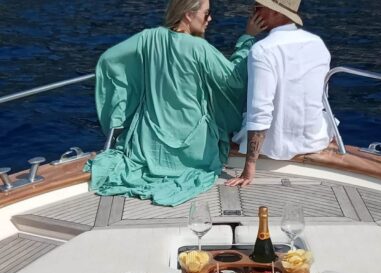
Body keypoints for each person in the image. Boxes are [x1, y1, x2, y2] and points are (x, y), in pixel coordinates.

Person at [84, 0, 266, 206]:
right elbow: (233, 80)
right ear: (189, 15)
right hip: (193, 150)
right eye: (207, 14)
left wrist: (133, 94)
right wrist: (248, 38)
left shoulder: (147, 38)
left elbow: (109, 60)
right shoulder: (200, 48)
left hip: (146, 145)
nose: (210, 19)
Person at [226, 0, 333, 187]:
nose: (253, 12)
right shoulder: (318, 44)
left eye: (258, 8)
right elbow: (320, 97)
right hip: (315, 139)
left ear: (275, 12)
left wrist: (249, 167)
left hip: (274, 146)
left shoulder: (263, 50)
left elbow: (260, 110)